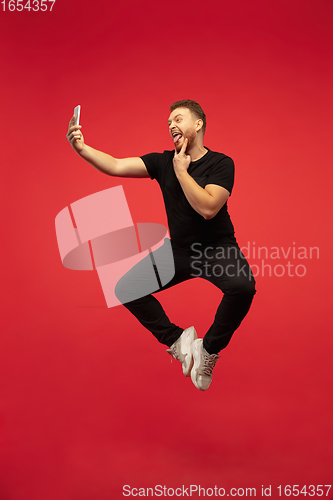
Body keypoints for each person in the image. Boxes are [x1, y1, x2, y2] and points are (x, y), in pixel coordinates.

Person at [66, 99, 256, 391]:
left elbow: (208, 208)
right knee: (125, 289)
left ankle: (208, 349)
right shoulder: (162, 161)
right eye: (169, 123)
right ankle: (178, 340)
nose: (171, 126)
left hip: (218, 249)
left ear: (198, 124)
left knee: (243, 288)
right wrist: (82, 150)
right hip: (179, 252)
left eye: (178, 119)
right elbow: (116, 165)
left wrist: (182, 171)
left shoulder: (221, 163)